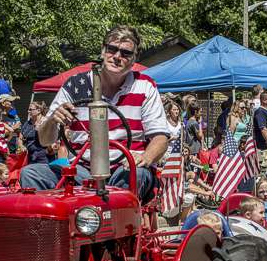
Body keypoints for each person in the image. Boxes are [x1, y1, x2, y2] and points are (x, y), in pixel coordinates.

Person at [21, 25, 169, 202]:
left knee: (135, 175)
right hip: (81, 170)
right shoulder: (76, 85)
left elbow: (160, 138)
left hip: (125, 167)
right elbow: (45, 141)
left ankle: (111, 225)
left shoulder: (144, 86)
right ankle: (52, 228)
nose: (117, 57)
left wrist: (145, 157)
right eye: (112, 49)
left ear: (134, 58)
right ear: (103, 50)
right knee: (31, 174)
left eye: (125, 53)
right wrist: (53, 120)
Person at [21, 100, 48, 164]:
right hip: (30, 156)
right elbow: (20, 137)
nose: (28, 111)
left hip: (43, 156)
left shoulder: (45, 122)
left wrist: (39, 129)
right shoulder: (27, 123)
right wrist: (21, 146)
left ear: (38, 111)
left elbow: (49, 139)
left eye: (30, 110)